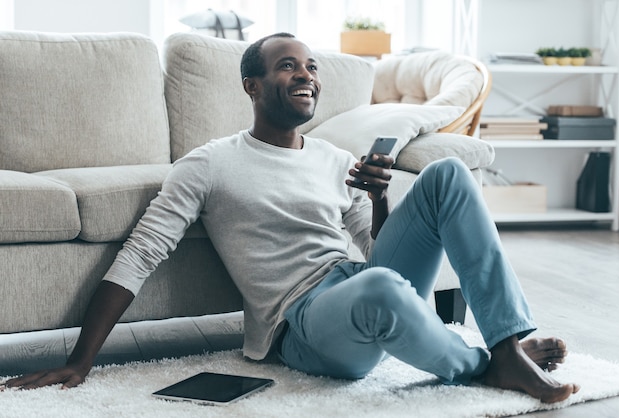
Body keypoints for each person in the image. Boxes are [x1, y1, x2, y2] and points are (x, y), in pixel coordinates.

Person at [2, 33, 579, 403]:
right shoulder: (209, 163)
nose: (306, 74)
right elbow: (140, 253)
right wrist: (80, 361)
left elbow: (374, 252)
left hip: (361, 287)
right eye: (286, 66)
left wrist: (377, 201)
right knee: (380, 287)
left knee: (446, 175)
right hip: (300, 325)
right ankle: (485, 365)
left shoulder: (335, 160)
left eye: (310, 66)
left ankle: (507, 344)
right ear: (252, 86)